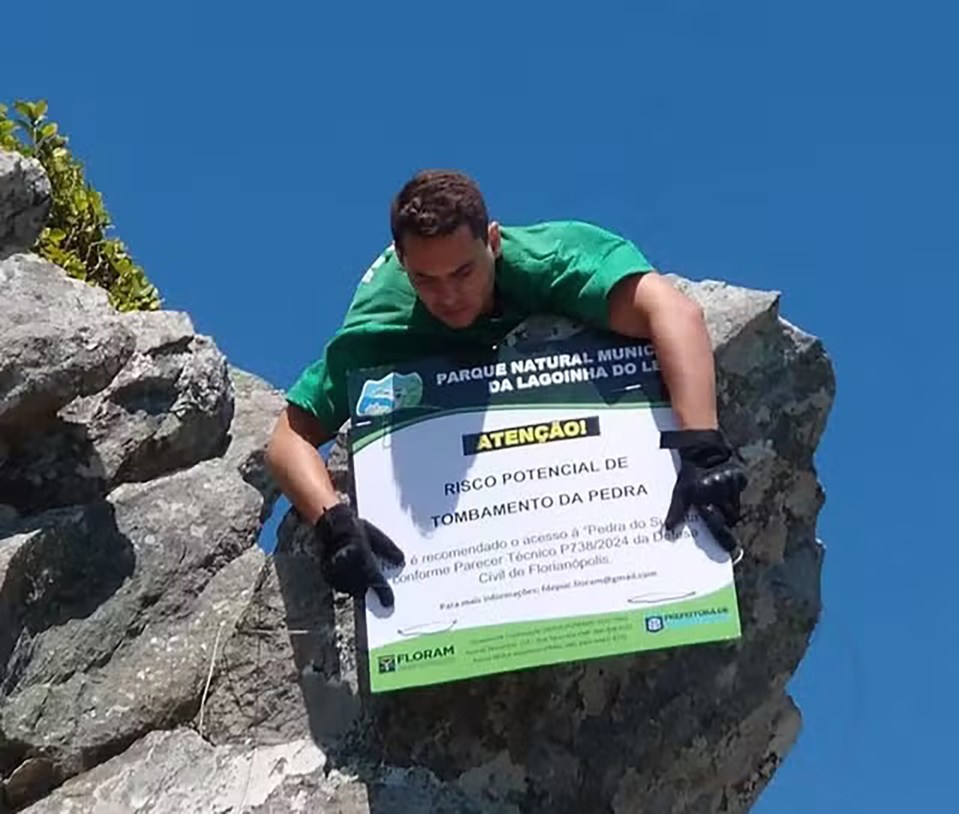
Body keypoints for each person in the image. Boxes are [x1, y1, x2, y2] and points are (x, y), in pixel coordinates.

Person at [265, 169, 747, 608]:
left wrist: (703, 449)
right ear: (404, 266)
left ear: (492, 242)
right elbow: (288, 439)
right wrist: (333, 523)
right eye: (425, 280)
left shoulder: (549, 257)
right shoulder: (381, 323)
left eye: (463, 272)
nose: (448, 295)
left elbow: (675, 314)